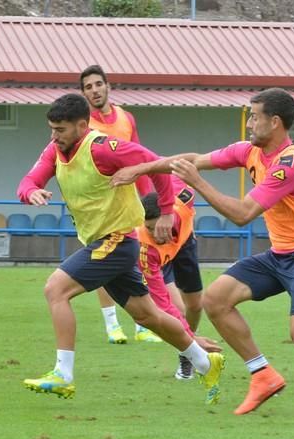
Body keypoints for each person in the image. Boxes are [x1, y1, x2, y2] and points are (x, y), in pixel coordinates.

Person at [110, 87, 294, 420]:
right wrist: (142, 169)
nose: (248, 123)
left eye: (254, 116)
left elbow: (243, 213)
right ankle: (263, 375)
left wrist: (198, 183)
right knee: (214, 300)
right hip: (279, 255)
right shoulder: (249, 151)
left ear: (274, 122)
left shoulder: (292, 165)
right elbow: (191, 160)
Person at [16, 93, 224, 403]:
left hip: (116, 240)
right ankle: (206, 362)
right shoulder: (55, 150)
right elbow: (28, 181)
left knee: (55, 289)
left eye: (60, 130)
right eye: (51, 129)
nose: (53, 136)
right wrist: (31, 192)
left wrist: (166, 210)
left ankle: (63, 374)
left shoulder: (103, 148)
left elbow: (158, 166)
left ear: (82, 125)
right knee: (147, 316)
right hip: (106, 243)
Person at [80, 64, 160, 345]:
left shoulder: (126, 118)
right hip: (98, 207)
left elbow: (139, 159)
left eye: (98, 84)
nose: (94, 90)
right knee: (104, 263)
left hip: (128, 203)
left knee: (138, 261)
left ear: (107, 86)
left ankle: (142, 325)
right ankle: (112, 324)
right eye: (88, 87)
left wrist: (148, 196)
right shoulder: (82, 125)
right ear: (83, 93)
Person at [137, 177, 204, 380]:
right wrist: (193, 339)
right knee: (178, 311)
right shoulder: (146, 246)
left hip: (184, 245)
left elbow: (183, 170)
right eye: (148, 228)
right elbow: (162, 303)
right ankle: (188, 354)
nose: (154, 233)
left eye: (156, 227)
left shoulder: (183, 200)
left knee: (195, 306)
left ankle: (188, 349)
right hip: (159, 257)